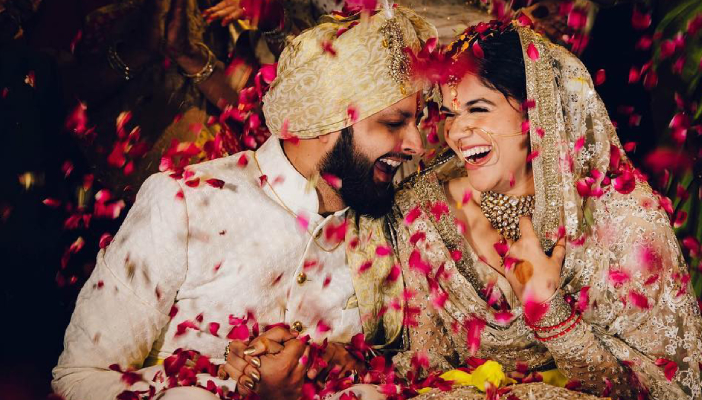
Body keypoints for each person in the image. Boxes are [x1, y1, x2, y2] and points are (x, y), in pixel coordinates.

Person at [52, 7, 436, 400]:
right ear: (323, 120)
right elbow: (77, 378)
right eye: (393, 123)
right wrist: (228, 385)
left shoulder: (388, 226)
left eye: (418, 121)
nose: (416, 144)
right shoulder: (186, 203)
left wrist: (349, 364)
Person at [387, 20, 702, 399]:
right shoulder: (425, 215)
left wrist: (551, 315)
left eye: (478, 109)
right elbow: (427, 372)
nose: (456, 132)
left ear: (537, 113)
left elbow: (671, 393)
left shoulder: (627, 222)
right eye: (450, 114)